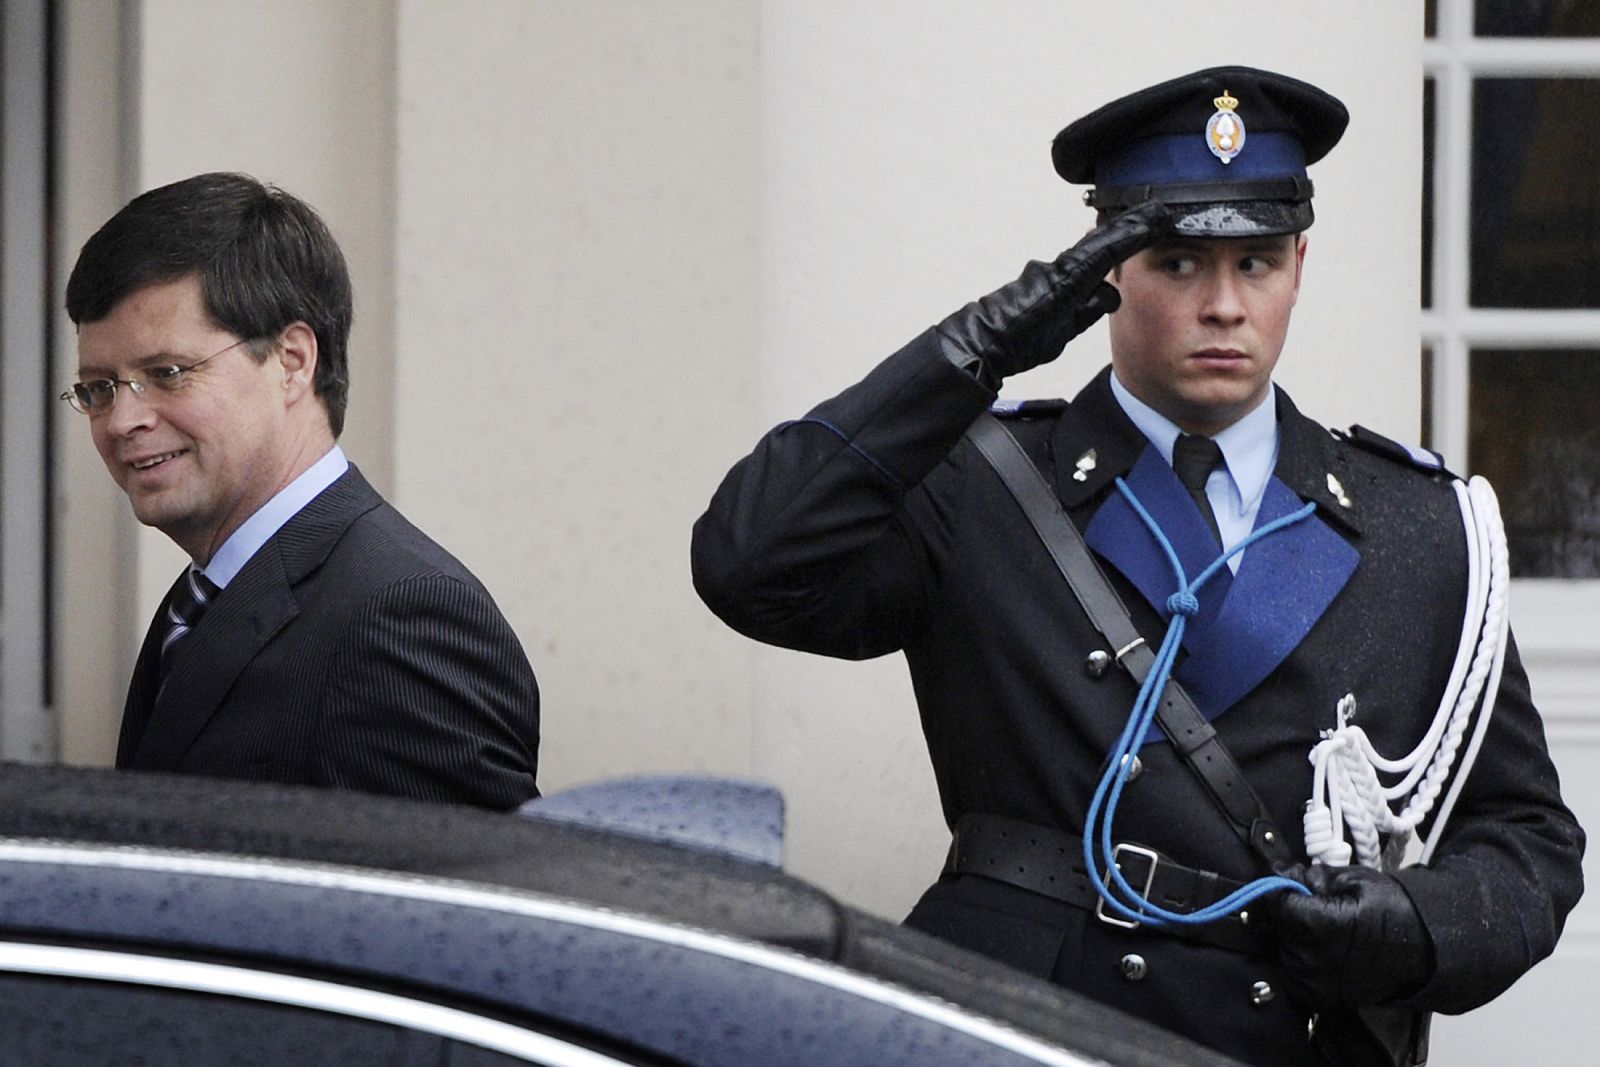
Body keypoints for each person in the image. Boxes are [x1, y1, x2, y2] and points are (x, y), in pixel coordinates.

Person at [691, 67, 1583, 1066]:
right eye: (1176, 262)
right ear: (1106, 274)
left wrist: (1418, 922)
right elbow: (748, 558)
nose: (1222, 307)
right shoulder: (980, 485)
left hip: (1292, 1031)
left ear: (1300, 263)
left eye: (1256, 262)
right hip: (1026, 1027)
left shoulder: (1419, 524)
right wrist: (974, 348)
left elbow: (1527, 840)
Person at [64, 172, 540, 811]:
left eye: (166, 374)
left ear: (292, 361)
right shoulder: (206, 596)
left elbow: (457, 905)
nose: (123, 421)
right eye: (99, 388)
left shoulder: (401, 616)